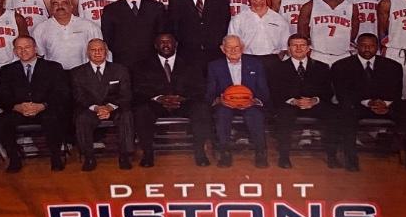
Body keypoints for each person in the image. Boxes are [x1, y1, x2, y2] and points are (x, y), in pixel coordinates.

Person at [133, 32, 210, 168]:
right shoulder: (143, 65)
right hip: (157, 104)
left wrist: (182, 97)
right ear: (156, 45)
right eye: (162, 42)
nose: (165, 45)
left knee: (201, 109)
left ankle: (200, 152)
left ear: (176, 44)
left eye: (168, 41)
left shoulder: (191, 64)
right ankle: (148, 154)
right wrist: (159, 98)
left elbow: (199, 87)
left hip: (183, 103)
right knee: (141, 111)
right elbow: (139, 88)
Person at [0, 36, 70, 173]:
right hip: (19, 110)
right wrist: (17, 107)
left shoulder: (53, 67)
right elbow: (2, 96)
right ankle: (14, 159)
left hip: (45, 108)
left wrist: (43, 105)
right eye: (19, 48)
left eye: (27, 47)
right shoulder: (7, 70)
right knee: (2, 122)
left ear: (35, 49)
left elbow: (61, 93)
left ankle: (56, 157)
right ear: (14, 51)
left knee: (54, 118)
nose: (23, 51)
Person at [331, 33, 404, 172]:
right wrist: (369, 102)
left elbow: (396, 92)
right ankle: (351, 160)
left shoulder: (393, 66)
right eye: (363, 45)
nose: (367, 49)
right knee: (345, 112)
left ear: (377, 47)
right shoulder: (341, 66)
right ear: (356, 47)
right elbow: (343, 94)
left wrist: (385, 104)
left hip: (385, 106)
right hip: (358, 106)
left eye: (371, 46)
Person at [271, 35, 339, 168]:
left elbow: (328, 91)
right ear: (288, 49)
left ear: (308, 48)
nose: (298, 48)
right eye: (294, 45)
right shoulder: (277, 67)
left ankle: (332, 156)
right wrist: (293, 101)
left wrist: (314, 100)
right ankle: (284, 157)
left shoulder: (322, 67)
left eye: (302, 45)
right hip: (290, 104)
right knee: (283, 116)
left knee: (333, 115)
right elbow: (275, 91)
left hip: (314, 103)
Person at [205, 35, 270, 168]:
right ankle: (225, 153)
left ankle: (260, 152)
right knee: (222, 115)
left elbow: (263, 89)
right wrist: (219, 100)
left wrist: (255, 101)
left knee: (255, 115)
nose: (233, 50)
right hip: (226, 103)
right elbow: (210, 91)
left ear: (242, 48)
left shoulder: (255, 64)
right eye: (229, 47)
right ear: (223, 49)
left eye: (237, 47)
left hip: (249, 102)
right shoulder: (214, 66)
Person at [71, 39, 134, 171]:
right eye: (93, 50)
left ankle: (125, 156)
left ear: (106, 52)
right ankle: (89, 157)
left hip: (115, 107)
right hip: (91, 108)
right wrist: (97, 108)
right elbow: (79, 96)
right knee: (81, 118)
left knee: (126, 115)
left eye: (101, 49)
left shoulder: (120, 70)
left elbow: (125, 94)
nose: (97, 52)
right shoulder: (77, 72)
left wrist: (109, 107)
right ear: (87, 53)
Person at [169, 0, 231, 74]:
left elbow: (225, 24)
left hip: (216, 53)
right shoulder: (176, 0)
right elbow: (174, 27)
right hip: (188, 55)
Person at [100, 0, 168, 69]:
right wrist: (121, 51)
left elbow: (162, 34)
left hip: (151, 61)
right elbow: (108, 37)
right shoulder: (111, 10)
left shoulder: (156, 7)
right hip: (123, 62)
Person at [298, 0, 357, 66]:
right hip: (318, 54)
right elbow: (302, 31)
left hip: (343, 55)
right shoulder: (309, 6)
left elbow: (353, 33)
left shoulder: (351, 7)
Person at [229, 0, 290, 66]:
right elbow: (232, 44)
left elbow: (285, 47)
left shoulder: (279, 19)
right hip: (247, 60)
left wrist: (276, 62)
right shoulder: (238, 19)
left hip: (272, 60)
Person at [33, 0, 99, 70]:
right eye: (55, 4)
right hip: (54, 73)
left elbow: (100, 50)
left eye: (64, 3)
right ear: (51, 8)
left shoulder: (89, 26)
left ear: (71, 6)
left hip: (83, 72)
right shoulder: (40, 29)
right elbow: (39, 55)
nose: (60, 6)